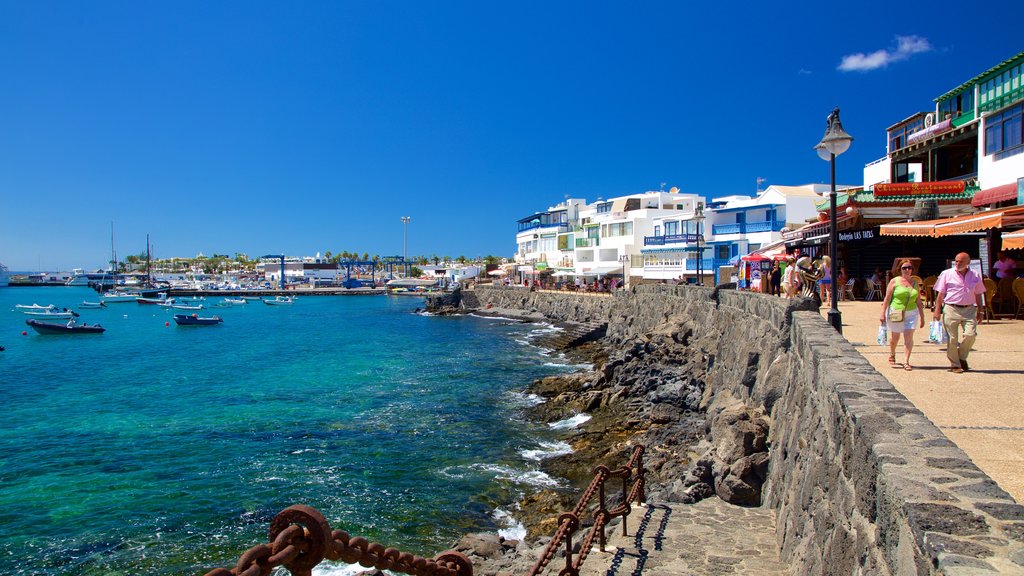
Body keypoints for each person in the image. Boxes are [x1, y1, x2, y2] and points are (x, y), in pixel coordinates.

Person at [933, 252, 985, 373]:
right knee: (952, 339)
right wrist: (937, 310)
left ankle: (961, 357)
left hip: (969, 309)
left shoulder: (975, 274)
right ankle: (955, 364)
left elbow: (978, 293)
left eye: (960, 261)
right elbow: (940, 293)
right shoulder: (947, 274)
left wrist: (981, 311)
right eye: (956, 261)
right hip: (951, 308)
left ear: (968, 262)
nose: (957, 263)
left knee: (970, 335)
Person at [880, 259, 925, 370]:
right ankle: (892, 353)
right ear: (899, 269)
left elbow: (918, 300)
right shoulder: (894, 281)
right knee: (895, 337)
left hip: (911, 312)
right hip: (896, 311)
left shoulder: (915, 283)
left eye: (909, 267)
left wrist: (922, 317)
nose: (907, 270)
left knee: (908, 337)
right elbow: (887, 299)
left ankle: (906, 361)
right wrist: (882, 313)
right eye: (904, 268)